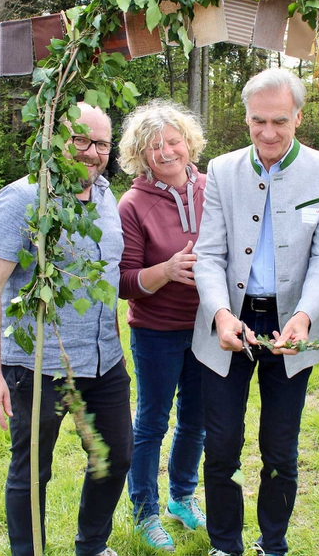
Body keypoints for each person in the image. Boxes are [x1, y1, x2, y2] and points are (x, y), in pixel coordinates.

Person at [192, 68, 319, 556]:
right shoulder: (222, 170)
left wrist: (303, 315)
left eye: (280, 120)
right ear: (246, 118)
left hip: (291, 324)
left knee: (280, 447)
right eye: (258, 121)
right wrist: (219, 313)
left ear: (298, 117)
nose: (268, 132)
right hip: (229, 322)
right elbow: (210, 253)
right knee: (220, 444)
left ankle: (272, 545)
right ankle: (225, 545)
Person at [0, 103, 131, 556]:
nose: (92, 153)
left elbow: (109, 278)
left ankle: (92, 546)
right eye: (81, 140)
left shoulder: (105, 196)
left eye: (101, 143)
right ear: (57, 139)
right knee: (32, 470)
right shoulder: (23, 199)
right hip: (36, 365)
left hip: (104, 361)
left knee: (115, 456)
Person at [117, 100, 208, 551]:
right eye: (155, 147)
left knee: (197, 419)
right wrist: (166, 271)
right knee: (152, 420)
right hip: (157, 330)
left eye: (174, 141)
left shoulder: (215, 188)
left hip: (210, 328)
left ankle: (182, 498)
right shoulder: (133, 204)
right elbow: (124, 281)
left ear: (189, 142)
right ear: (141, 154)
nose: (168, 152)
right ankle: (145, 512)